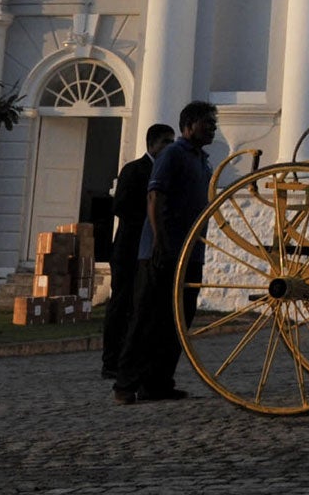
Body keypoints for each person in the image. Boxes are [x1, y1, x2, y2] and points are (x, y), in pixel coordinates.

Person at [115, 100, 218, 404]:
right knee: (146, 317)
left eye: (213, 124)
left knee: (178, 320)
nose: (212, 129)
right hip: (163, 250)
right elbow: (154, 196)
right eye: (206, 123)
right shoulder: (172, 154)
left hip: (191, 252)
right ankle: (125, 384)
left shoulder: (203, 160)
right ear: (189, 125)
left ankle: (158, 383)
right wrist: (159, 239)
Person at [100, 122, 173, 381]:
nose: (169, 148)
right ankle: (111, 360)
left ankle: (135, 358)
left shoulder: (167, 171)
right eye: (165, 142)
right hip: (128, 247)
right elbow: (120, 207)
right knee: (121, 302)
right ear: (152, 144)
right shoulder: (134, 170)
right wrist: (150, 216)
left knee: (142, 305)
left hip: (151, 248)